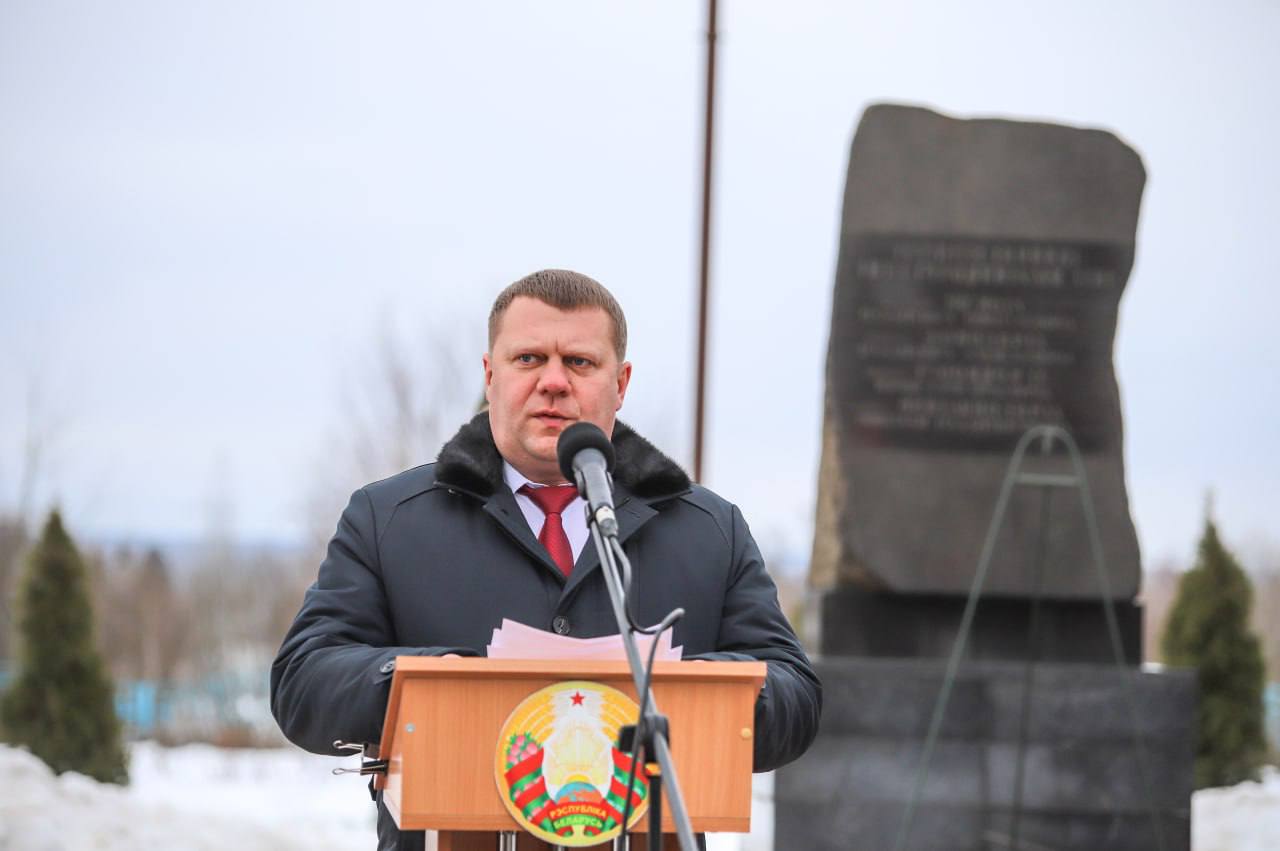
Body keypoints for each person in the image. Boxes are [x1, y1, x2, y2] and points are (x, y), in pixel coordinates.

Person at [271, 269, 821, 851]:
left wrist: (706, 696)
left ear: (621, 383)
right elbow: (302, 683)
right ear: (490, 375)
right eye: (529, 358)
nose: (553, 382)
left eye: (580, 363)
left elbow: (797, 698)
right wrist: (423, 683)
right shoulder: (389, 520)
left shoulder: (709, 531)